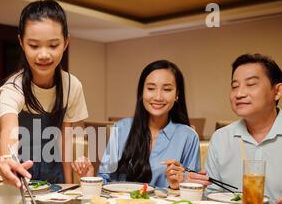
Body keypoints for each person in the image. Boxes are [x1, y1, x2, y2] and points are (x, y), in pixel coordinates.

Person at [0, 0, 88, 184]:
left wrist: (68, 187)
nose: (44, 54)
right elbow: (9, 128)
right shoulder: (13, 88)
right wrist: (7, 160)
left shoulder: (72, 86)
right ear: (21, 42)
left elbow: (66, 141)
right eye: (34, 45)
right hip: (15, 166)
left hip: (52, 166)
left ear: (66, 42)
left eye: (53, 45)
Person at [72, 60, 200, 189]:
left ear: (177, 94)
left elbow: (193, 190)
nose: (158, 97)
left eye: (167, 89)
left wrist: (180, 184)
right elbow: (106, 181)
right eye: (151, 88)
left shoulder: (188, 136)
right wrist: (89, 177)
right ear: (141, 92)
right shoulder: (121, 128)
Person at [187, 53, 282, 204]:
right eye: (235, 86)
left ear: (277, 91)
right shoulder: (221, 138)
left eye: (251, 84)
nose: (239, 93)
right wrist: (197, 187)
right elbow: (212, 195)